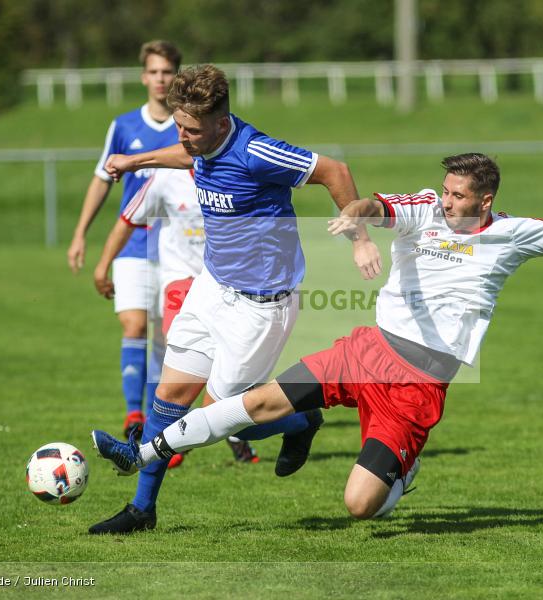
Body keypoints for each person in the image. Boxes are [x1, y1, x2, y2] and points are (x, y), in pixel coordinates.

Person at [93, 152, 543, 520]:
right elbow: (375, 205)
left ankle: (402, 465)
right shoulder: (423, 207)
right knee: (257, 401)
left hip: (418, 382)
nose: (445, 202)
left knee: (359, 506)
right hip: (367, 348)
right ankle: (142, 453)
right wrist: (356, 219)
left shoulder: (516, 233)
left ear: (486, 198)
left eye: (457, 196)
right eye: (444, 192)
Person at [88, 64, 381, 534]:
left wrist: (361, 238)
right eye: (179, 126)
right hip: (211, 287)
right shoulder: (198, 142)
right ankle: (142, 510)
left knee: (230, 417)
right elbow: (190, 157)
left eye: (192, 129)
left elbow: (334, 170)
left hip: (260, 306)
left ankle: (301, 420)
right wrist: (137, 161)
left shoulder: (256, 151)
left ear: (221, 123)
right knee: (169, 397)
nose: (184, 137)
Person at [93, 167, 260, 474]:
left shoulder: (233, 173)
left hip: (223, 285)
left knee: (224, 380)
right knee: (181, 355)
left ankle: (277, 422)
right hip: (180, 284)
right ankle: (161, 447)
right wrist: (103, 265)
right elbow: (128, 218)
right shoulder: (166, 179)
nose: (187, 138)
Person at [67, 40, 184, 439]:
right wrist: (80, 234)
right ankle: (134, 414)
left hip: (178, 250)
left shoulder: (189, 127)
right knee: (134, 325)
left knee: (168, 335)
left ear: (177, 76)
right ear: (143, 76)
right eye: (153, 72)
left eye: (167, 72)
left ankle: (160, 420)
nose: (160, 79)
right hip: (133, 247)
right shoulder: (124, 126)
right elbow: (102, 180)